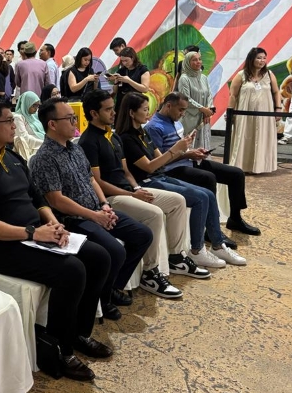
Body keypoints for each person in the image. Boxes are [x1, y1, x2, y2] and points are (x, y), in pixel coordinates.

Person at [0, 98, 112, 382]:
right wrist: (33, 233)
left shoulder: (12, 156)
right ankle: (61, 351)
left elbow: (36, 197)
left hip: (34, 233)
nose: (14, 125)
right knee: (72, 270)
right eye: (9, 121)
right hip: (0, 247)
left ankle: (79, 333)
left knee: (99, 257)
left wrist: (52, 222)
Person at [31, 98, 152, 317]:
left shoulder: (75, 149)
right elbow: (56, 200)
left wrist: (104, 205)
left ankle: (112, 286)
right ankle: (103, 300)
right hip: (74, 219)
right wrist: (95, 216)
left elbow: (91, 179)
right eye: (70, 119)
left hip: (97, 210)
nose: (75, 122)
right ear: (52, 124)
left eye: (74, 117)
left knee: (143, 235)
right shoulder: (44, 158)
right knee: (115, 250)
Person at [80, 90, 207, 299]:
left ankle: (176, 257)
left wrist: (136, 189)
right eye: (108, 109)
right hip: (111, 196)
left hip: (129, 190)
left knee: (178, 201)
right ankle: (151, 272)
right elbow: (98, 182)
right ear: (94, 113)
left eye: (113, 108)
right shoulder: (88, 141)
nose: (113, 113)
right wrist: (131, 194)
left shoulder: (113, 136)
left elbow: (126, 171)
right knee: (154, 214)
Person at [116, 92, 247, 267]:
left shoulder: (143, 132)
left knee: (208, 193)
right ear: (132, 113)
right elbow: (149, 167)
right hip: (148, 181)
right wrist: (177, 150)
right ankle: (197, 250)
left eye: (148, 109)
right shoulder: (127, 138)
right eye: (145, 110)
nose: (148, 113)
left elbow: (160, 158)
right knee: (200, 197)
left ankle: (217, 244)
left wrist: (183, 150)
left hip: (159, 175)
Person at [146, 92, 261, 236]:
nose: (182, 114)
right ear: (168, 106)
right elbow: (159, 162)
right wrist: (187, 154)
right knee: (207, 178)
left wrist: (193, 151)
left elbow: (180, 148)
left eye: (184, 110)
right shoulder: (154, 127)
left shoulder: (175, 120)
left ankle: (235, 218)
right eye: (181, 110)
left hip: (187, 161)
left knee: (236, 174)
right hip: (170, 169)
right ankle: (211, 229)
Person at [227, 47, 279, 173]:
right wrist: (230, 112)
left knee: (262, 137)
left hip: (264, 115)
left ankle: (260, 166)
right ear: (251, 59)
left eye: (264, 58)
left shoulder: (269, 74)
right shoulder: (241, 75)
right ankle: (242, 166)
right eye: (259, 58)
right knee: (245, 136)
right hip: (245, 114)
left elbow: (276, 92)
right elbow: (233, 95)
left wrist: (278, 109)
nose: (262, 61)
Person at [176, 50, 214, 149]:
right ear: (187, 62)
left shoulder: (204, 77)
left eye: (199, 59)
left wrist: (208, 110)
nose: (198, 62)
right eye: (194, 60)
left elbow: (209, 95)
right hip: (189, 118)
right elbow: (185, 99)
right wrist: (203, 109)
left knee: (203, 147)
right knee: (189, 147)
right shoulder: (184, 78)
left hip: (204, 118)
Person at [13, 91, 44, 162]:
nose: (36, 108)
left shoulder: (34, 115)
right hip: (31, 150)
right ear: (26, 103)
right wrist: (44, 143)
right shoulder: (18, 118)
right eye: (34, 105)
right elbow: (24, 138)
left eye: (38, 105)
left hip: (40, 146)